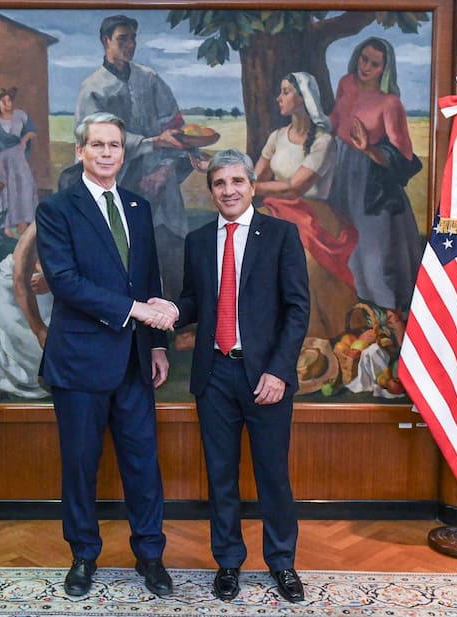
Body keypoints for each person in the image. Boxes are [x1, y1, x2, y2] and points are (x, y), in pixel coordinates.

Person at [35, 112, 178, 598]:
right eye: (96, 144)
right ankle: (82, 556)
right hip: (79, 362)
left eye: (114, 145)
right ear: (80, 152)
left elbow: (149, 277)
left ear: (123, 152)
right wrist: (136, 310)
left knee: (143, 463)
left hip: (136, 361)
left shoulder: (137, 206)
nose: (105, 153)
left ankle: (151, 557)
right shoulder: (57, 210)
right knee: (80, 462)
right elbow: (65, 283)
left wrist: (157, 343)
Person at [172, 149, 310, 603]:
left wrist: (278, 370)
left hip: (265, 378)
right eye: (219, 183)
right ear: (210, 189)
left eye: (237, 181)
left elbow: (296, 309)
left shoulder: (281, 235)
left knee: (273, 475)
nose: (228, 190)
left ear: (252, 186)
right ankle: (228, 562)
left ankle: (282, 562)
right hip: (214, 377)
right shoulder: (197, 241)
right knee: (221, 475)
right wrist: (172, 310)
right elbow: (195, 301)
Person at [75, 15, 195, 311]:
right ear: (106, 42)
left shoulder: (149, 78)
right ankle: (130, 320)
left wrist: (165, 170)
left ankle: (176, 323)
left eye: (132, 38)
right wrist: (151, 142)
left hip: (163, 182)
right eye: (122, 39)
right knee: (124, 251)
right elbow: (93, 138)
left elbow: (176, 128)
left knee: (171, 247)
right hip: (121, 181)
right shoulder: (93, 88)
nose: (130, 45)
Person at [328, 37, 423, 337]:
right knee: (346, 249)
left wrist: (367, 148)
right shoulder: (346, 82)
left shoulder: (389, 103)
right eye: (363, 58)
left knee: (375, 256)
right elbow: (335, 119)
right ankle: (360, 325)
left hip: (374, 186)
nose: (365, 66)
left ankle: (395, 333)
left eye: (374, 63)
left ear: (385, 68)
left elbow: (403, 158)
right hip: (341, 176)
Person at [254, 71, 358, 341]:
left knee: (305, 266)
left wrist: (246, 187)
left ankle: (308, 339)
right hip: (276, 211)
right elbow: (256, 178)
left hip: (314, 217)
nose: (279, 97)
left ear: (303, 98)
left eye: (286, 91)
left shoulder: (323, 142)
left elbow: (294, 187)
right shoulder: (276, 137)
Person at [0, 222, 52, 400]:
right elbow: (20, 283)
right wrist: (40, 330)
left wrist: (51, 282)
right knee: (38, 350)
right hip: (14, 292)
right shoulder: (39, 227)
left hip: (50, 292)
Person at [0, 87, 39, 238]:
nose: (7, 104)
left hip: (18, 158)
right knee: (6, 191)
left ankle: (23, 222)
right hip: (1, 161)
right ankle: (6, 225)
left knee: (25, 186)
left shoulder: (20, 115)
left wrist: (25, 139)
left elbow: (32, 130)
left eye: (9, 100)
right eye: (3, 101)